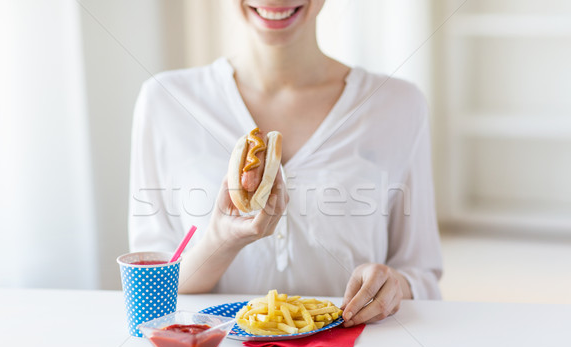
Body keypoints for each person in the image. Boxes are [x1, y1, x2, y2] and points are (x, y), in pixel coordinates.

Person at [129, 0, 443, 327]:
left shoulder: (398, 104)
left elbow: (421, 276)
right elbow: (151, 289)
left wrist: (393, 285)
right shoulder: (165, 101)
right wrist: (220, 242)